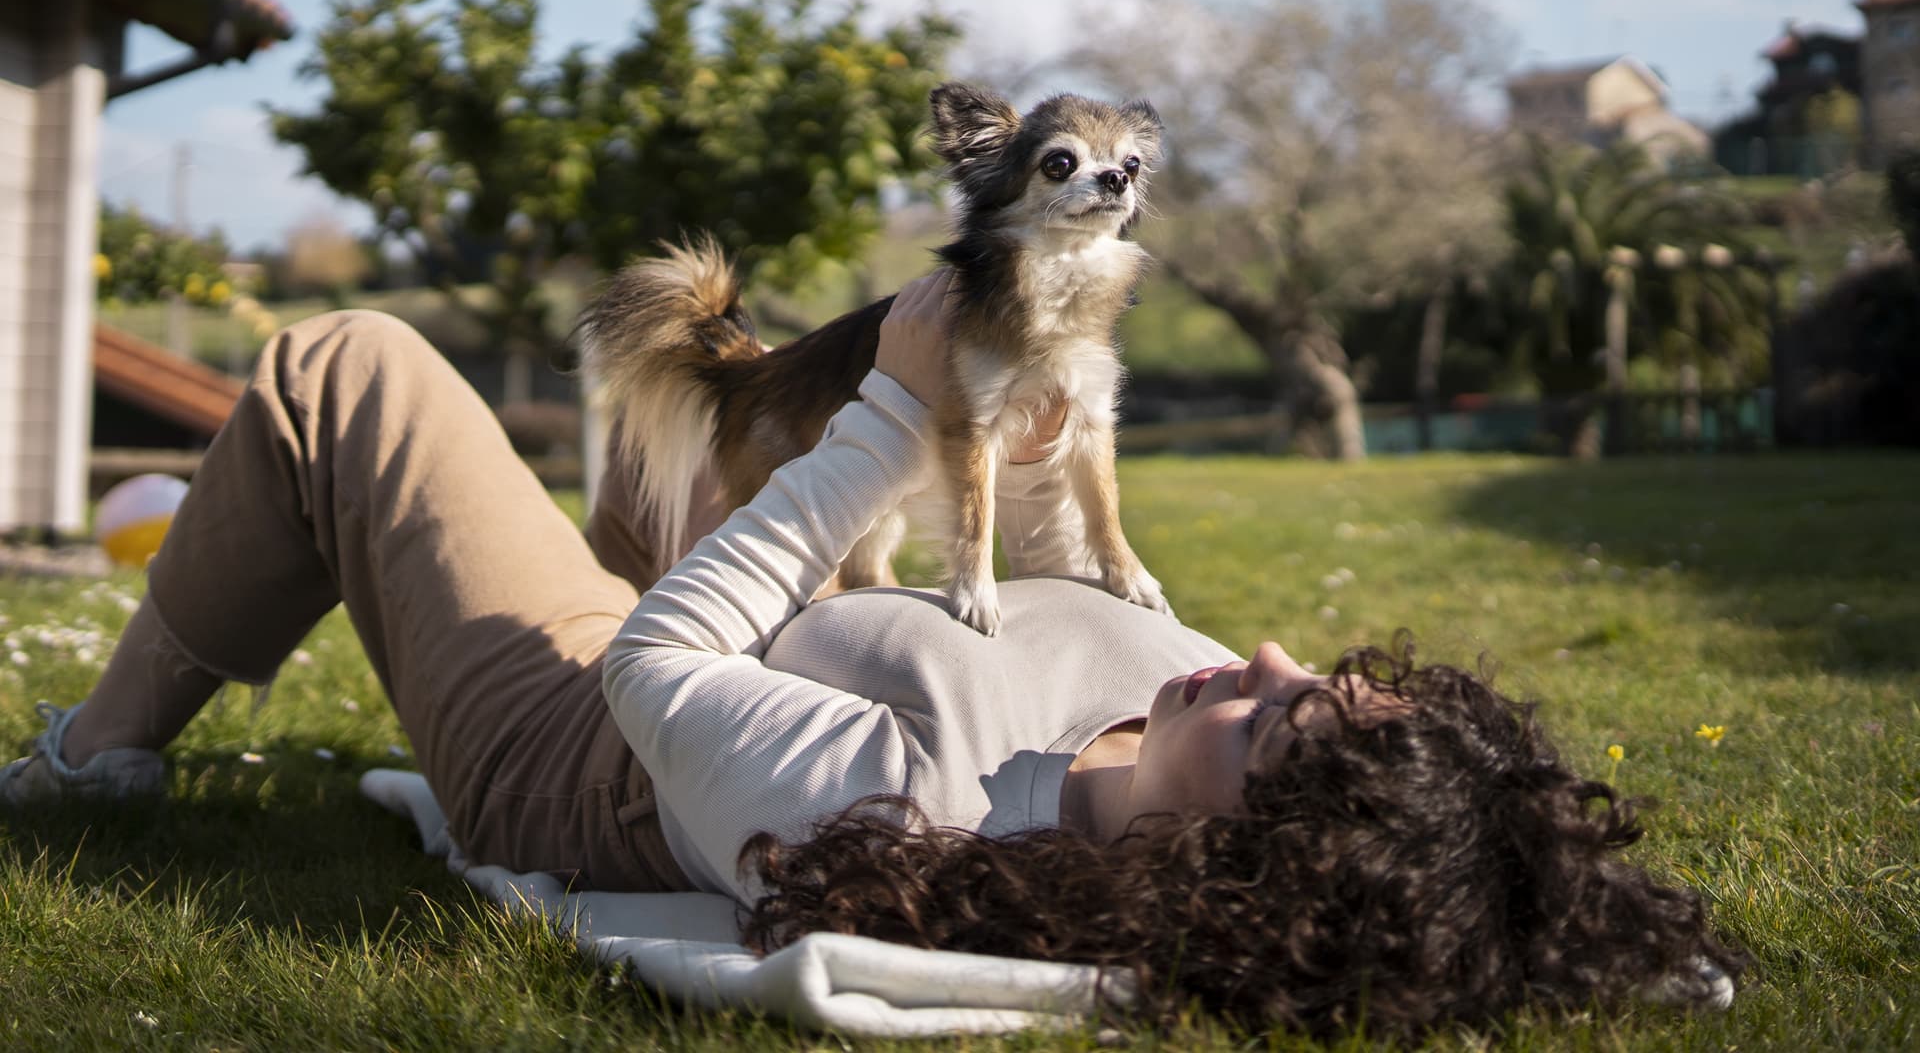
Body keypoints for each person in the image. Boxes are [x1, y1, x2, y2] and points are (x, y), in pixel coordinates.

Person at [2, 273, 1745, 1036]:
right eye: (1315, 679)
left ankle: (99, 763)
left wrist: (894, 421)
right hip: (772, 640)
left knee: (350, 367)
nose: (1264, 656)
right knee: (663, 424)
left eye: (1271, 727)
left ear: (1230, 865)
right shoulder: (1164, 731)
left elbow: (660, 671)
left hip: (589, 745)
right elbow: (1087, 595)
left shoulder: (905, 813)